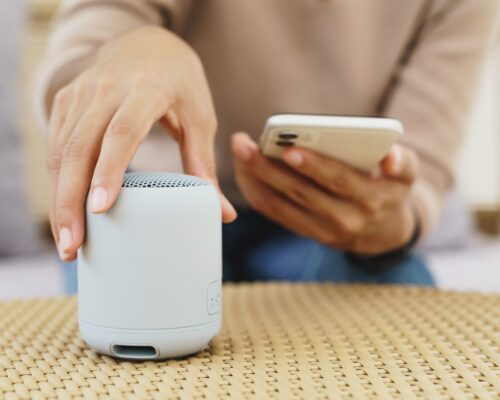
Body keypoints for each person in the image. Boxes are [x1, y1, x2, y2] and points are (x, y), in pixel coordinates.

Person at [35, 0, 499, 288]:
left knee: (400, 300)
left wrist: (387, 220)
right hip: (154, 203)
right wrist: (133, 50)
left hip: (325, 224)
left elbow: (423, 171)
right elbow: (74, 69)